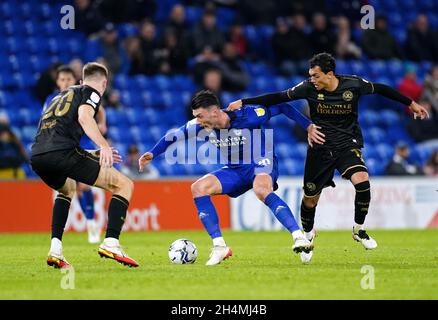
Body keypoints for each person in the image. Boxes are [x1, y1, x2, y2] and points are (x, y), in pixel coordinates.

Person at [227, 52, 429, 263]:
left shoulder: (353, 85)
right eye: (310, 76)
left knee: (362, 182)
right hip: (320, 148)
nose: (312, 80)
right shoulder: (308, 88)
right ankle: (307, 234)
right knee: (310, 199)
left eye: (315, 76)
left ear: (329, 74)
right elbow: (278, 97)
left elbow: (381, 88)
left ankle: (358, 229)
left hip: (347, 144)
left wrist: (410, 103)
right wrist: (244, 101)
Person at [139, 90, 325, 265]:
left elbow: (283, 106)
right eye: (196, 116)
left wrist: (308, 126)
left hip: (261, 161)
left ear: (214, 112)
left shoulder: (249, 114)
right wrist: (152, 154)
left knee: (261, 189)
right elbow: (172, 137)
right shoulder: (200, 126)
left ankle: (298, 236)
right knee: (198, 188)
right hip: (236, 169)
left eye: (200, 116)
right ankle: (220, 246)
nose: (197, 120)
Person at [31, 62, 138, 269]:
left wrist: (91, 153)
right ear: (104, 83)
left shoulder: (58, 96)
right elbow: (84, 117)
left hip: (38, 155)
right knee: (124, 185)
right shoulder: (92, 92)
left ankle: (55, 250)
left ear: (80, 80)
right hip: (63, 152)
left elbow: (53, 135)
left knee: (67, 189)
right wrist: (104, 146)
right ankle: (111, 242)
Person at [43, 65, 106, 244]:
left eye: (68, 79)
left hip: (82, 143)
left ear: (75, 81)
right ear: (57, 82)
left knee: (84, 186)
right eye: (62, 79)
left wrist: (102, 124)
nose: (65, 82)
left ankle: (92, 224)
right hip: (62, 146)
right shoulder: (51, 99)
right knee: (72, 189)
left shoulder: (80, 94)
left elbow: (100, 109)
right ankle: (88, 222)